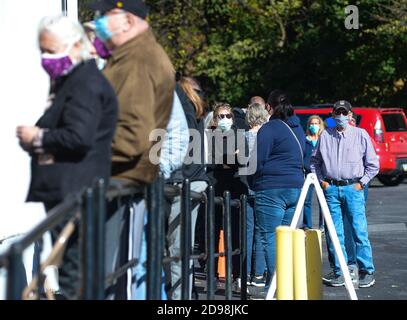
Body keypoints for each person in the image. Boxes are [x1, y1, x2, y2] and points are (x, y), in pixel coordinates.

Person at [16, 15, 118, 299]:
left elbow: (78, 137)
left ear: (75, 46)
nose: (45, 58)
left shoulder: (83, 83)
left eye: (50, 50)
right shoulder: (74, 81)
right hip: (71, 192)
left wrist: (37, 137)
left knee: (76, 277)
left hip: (76, 193)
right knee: (74, 271)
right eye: (42, 51)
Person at [87, 0, 175, 299]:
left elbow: (131, 135)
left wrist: (78, 155)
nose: (96, 20)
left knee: (114, 279)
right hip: (117, 182)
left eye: (103, 14)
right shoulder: (130, 56)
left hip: (119, 184)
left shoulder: (137, 59)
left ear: (126, 21)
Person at [311, 100, 379, 288]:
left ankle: (366, 271)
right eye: (337, 112)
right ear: (333, 115)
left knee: (359, 230)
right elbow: (314, 162)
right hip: (331, 189)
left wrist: (362, 183)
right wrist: (322, 182)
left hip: (353, 188)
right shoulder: (325, 135)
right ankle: (340, 271)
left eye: (344, 112)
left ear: (350, 115)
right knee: (335, 233)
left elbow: (373, 165)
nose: (340, 116)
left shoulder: (360, 134)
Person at [249, 90, 306, 291]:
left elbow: (257, 160)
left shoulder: (269, 128)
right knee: (287, 237)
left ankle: (276, 284)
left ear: (269, 107)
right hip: (296, 187)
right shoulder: (298, 127)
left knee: (271, 238)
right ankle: (286, 283)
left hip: (271, 188)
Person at [164, 76, 209, 300]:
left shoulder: (182, 109)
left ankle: (180, 299)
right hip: (196, 180)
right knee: (181, 248)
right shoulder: (196, 112)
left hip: (185, 181)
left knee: (177, 249)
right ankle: (186, 295)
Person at [207, 103, 248, 288]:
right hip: (214, 187)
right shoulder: (209, 137)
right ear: (215, 119)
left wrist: (227, 158)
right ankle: (211, 274)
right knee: (213, 232)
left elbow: (244, 159)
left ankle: (238, 274)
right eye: (221, 116)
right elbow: (212, 158)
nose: (225, 119)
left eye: (228, 116)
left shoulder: (240, 136)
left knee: (236, 233)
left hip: (235, 189)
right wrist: (231, 157)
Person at [245, 103, 269, 287]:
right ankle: (258, 274)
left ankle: (244, 273)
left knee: (247, 233)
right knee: (261, 234)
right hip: (262, 188)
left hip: (246, 187)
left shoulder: (243, 137)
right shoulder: (266, 137)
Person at [303, 115, 325, 230]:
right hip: (307, 174)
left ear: (320, 125)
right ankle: (307, 226)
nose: (314, 126)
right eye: (312, 124)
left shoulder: (323, 139)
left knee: (323, 201)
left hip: (321, 174)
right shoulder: (304, 140)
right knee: (306, 201)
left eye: (316, 124)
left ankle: (323, 225)